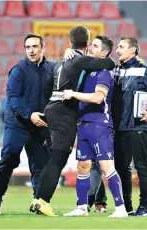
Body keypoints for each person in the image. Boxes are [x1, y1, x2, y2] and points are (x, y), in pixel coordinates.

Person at [32, 26, 116, 216]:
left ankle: (37, 199)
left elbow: (47, 87)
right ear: (87, 44)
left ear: (70, 42)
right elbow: (109, 64)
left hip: (51, 109)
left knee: (54, 157)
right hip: (64, 113)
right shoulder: (81, 60)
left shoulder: (60, 61)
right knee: (58, 159)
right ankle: (43, 201)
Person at [62, 35, 127, 217]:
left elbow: (98, 97)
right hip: (84, 123)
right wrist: (69, 52)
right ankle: (82, 207)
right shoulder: (90, 70)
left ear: (104, 52)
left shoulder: (104, 73)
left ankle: (120, 208)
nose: (90, 48)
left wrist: (73, 94)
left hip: (100, 125)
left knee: (106, 167)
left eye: (95, 46)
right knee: (83, 166)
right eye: (91, 45)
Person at [0, 34, 54, 215]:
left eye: (34, 46)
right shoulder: (18, 70)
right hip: (17, 123)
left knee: (41, 166)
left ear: (43, 48)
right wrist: (29, 114)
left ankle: (39, 203)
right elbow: (13, 99)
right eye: (27, 47)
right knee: (8, 159)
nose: (31, 50)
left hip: (39, 125)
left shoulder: (52, 69)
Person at [112, 37, 147, 216]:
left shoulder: (145, 71)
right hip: (118, 128)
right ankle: (126, 206)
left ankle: (144, 206)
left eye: (121, 47)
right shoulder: (115, 71)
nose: (117, 50)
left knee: (141, 166)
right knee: (121, 168)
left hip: (138, 126)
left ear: (133, 50)